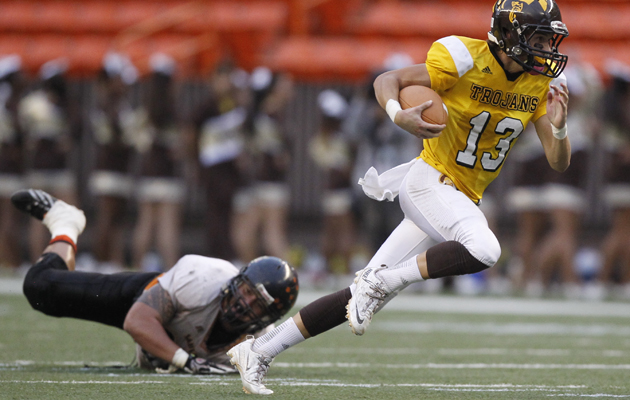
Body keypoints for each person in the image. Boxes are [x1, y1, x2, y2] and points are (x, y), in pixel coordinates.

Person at [226, 0, 571, 394]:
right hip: (430, 181)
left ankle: (258, 351)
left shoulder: (538, 83)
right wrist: (396, 113)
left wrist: (559, 131)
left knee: (352, 297)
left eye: (550, 38)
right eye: (539, 37)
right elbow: (386, 80)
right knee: (485, 248)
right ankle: (382, 282)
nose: (546, 47)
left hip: (458, 196)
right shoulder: (464, 57)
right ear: (509, 35)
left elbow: (558, 162)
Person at [13, 188, 299, 373]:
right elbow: (138, 320)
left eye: (257, 303)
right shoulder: (204, 277)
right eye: (247, 291)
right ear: (239, 279)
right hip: (150, 299)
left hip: (165, 342)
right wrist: (185, 361)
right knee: (40, 288)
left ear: (268, 319)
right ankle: (66, 224)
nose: (244, 302)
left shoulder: (256, 348)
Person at [131, 53, 186, 272]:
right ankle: (171, 270)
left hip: (148, 172)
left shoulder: (147, 105)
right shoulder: (170, 108)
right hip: (166, 174)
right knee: (166, 227)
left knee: (145, 223)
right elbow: (178, 144)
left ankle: (136, 266)